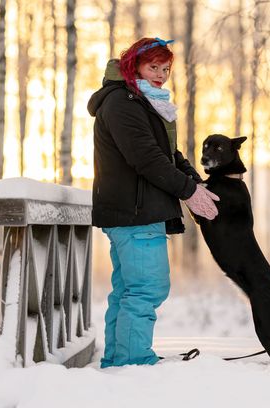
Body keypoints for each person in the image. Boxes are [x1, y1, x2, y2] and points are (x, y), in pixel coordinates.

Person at [87, 37, 219, 367]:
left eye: (166, 68)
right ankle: (132, 362)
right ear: (134, 66)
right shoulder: (123, 103)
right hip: (135, 212)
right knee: (147, 288)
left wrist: (197, 185)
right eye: (153, 67)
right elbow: (147, 159)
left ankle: (120, 359)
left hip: (135, 211)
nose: (160, 74)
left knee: (129, 290)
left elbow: (169, 156)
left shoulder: (143, 102)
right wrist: (189, 193)